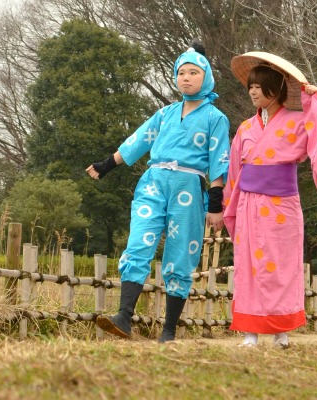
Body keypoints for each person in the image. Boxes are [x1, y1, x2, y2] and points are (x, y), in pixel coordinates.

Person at [86, 40, 230, 343]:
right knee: (138, 243)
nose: (186, 78)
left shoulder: (215, 118)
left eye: (193, 72)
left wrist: (215, 205)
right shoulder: (164, 113)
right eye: (181, 73)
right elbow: (138, 141)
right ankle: (124, 317)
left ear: (206, 77)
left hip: (189, 187)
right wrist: (105, 165)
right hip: (153, 181)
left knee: (180, 255)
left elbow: (219, 162)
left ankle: (168, 331)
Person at [223, 52, 317, 347]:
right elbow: (235, 171)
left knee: (282, 265)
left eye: (259, 86)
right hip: (249, 203)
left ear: (275, 89)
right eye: (250, 86)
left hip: (282, 205)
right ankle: (250, 332)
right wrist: (228, 205)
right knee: (248, 265)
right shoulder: (245, 128)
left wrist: (315, 99)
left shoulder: (298, 119)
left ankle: (281, 331)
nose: (252, 92)